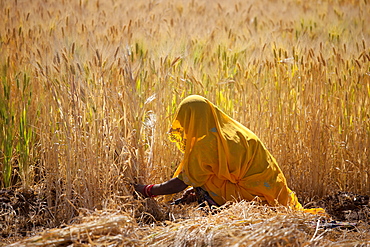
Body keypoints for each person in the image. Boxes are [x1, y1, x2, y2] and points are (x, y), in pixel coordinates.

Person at [134, 95, 324, 213]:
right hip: (271, 188)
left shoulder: (206, 144)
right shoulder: (229, 132)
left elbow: (182, 181)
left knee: (199, 180)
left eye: (184, 119)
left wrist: (148, 190)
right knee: (201, 179)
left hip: (256, 195)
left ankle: (213, 205)